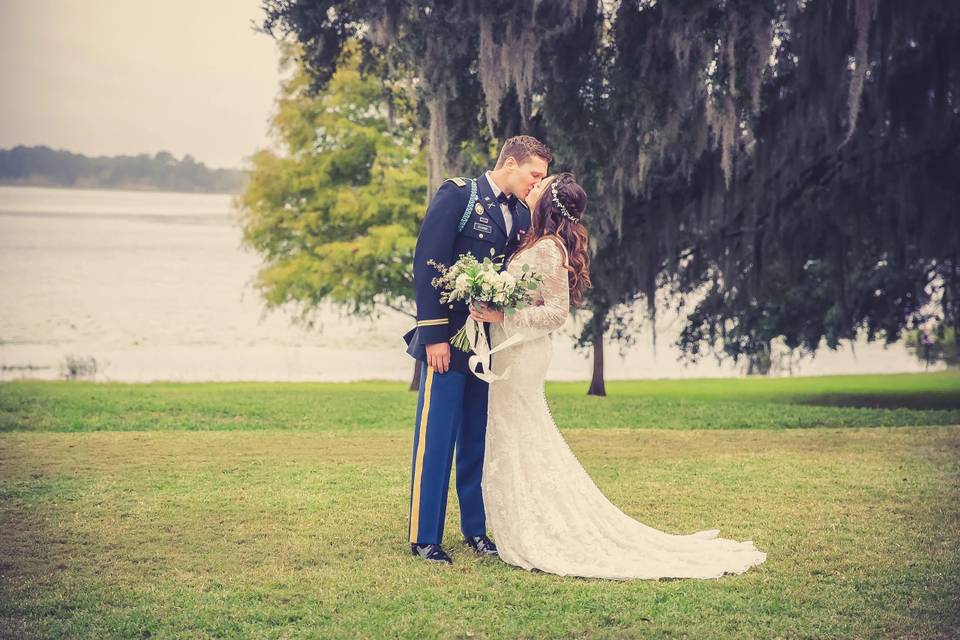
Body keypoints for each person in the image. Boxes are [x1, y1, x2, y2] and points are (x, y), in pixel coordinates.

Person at [468, 172, 769, 579]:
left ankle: (540, 525)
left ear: (547, 203)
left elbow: (556, 313)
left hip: (523, 357)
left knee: (521, 433)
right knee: (516, 433)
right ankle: (520, 520)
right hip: (513, 352)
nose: (533, 185)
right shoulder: (535, 241)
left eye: (541, 184)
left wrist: (502, 313)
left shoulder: (548, 250)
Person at [402, 135, 553, 564]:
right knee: (437, 440)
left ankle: (476, 530)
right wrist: (432, 336)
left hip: (489, 347)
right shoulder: (460, 196)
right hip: (447, 343)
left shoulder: (522, 215)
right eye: (533, 175)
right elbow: (428, 263)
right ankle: (424, 536)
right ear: (510, 163)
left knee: (476, 440)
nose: (536, 183)